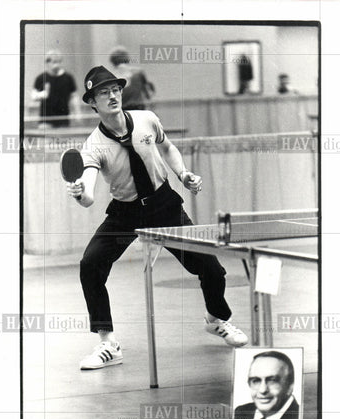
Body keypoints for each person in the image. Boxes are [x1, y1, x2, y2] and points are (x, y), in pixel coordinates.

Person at [66, 66, 248, 370]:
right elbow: (89, 196)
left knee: (211, 268)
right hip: (126, 212)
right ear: (92, 102)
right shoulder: (93, 146)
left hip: (164, 205)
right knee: (91, 264)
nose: (112, 96)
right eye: (103, 92)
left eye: (115, 89)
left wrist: (184, 173)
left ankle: (217, 320)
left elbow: (167, 147)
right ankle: (108, 343)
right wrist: (80, 192)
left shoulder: (146, 120)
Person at [234, 351, 300, 419]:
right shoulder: (240, 412)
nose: (263, 390)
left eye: (272, 380)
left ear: (290, 386)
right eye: (256, 381)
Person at [31, 49, 80, 127]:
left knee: (62, 139)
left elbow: (74, 96)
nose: (57, 65)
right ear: (47, 63)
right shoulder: (41, 78)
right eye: (54, 62)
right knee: (45, 138)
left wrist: (78, 113)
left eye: (59, 62)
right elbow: (33, 96)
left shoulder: (68, 78)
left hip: (63, 119)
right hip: (46, 119)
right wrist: (42, 94)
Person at [109, 46, 155, 110]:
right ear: (127, 57)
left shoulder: (111, 76)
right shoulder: (138, 72)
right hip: (140, 109)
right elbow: (148, 93)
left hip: (122, 111)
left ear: (112, 60)